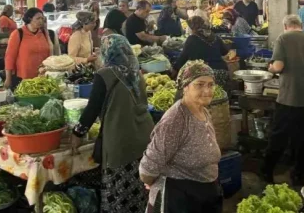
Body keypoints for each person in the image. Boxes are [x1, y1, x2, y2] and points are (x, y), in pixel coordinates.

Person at [71, 35, 154, 213]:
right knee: (139, 191)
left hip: (120, 139)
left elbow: (92, 109)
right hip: (143, 137)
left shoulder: (105, 74)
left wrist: (77, 134)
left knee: (118, 193)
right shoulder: (135, 71)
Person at [140, 61, 222, 213]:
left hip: (202, 194)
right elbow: (148, 168)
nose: (207, 90)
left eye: (211, 85)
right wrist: (152, 180)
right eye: (200, 84)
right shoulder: (176, 120)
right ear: (185, 87)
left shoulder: (204, 112)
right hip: (178, 199)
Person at [264, 15, 304, 186]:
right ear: (301, 25)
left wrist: (270, 68)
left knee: (278, 136)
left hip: (288, 98)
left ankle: (267, 172)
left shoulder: (283, 38)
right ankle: (298, 175)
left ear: (285, 26)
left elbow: (278, 67)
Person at [4, 8, 52, 89]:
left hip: (42, 77)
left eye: (42, 18)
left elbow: (50, 52)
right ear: (29, 19)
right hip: (23, 79)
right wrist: (8, 79)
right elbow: (9, 57)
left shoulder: (44, 33)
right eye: (38, 18)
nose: (41, 21)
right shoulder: (18, 33)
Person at [174, 17, 229, 86]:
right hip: (223, 72)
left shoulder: (192, 39)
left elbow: (182, 59)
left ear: (193, 28)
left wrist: (174, 70)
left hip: (206, 74)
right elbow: (225, 52)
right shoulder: (215, 37)